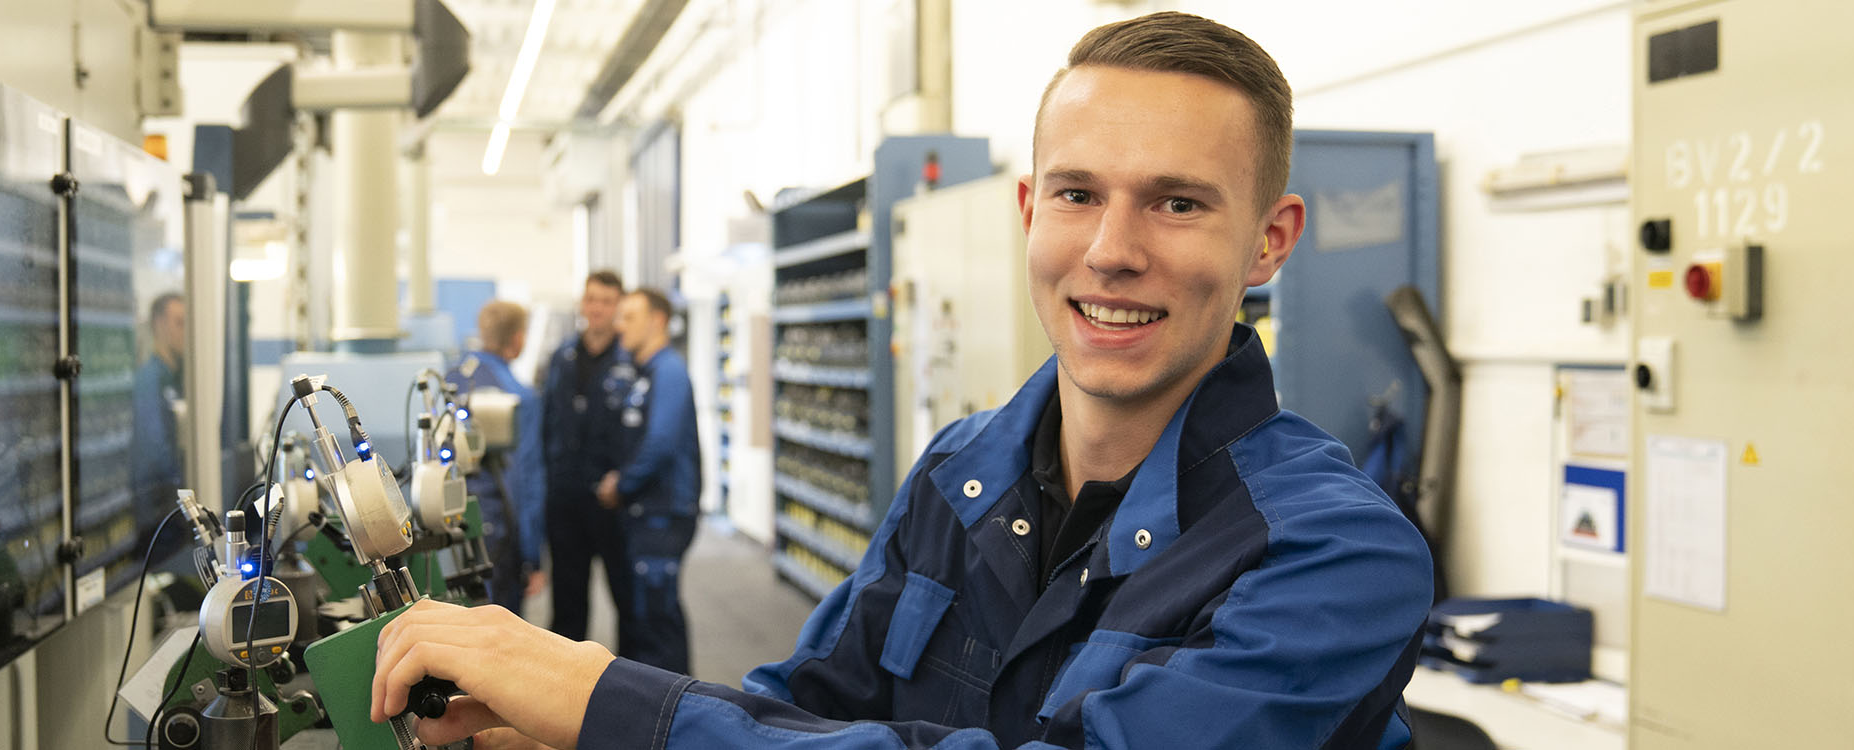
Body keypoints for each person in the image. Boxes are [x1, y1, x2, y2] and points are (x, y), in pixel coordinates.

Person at [368, 12, 1434, 750]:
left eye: (1177, 203)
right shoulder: (960, 471)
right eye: (1076, 194)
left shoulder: (1335, 555)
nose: (1110, 250)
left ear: (1269, 241)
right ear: (1029, 211)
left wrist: (611, 702)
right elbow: (806, 706)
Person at [596, 288, 701, 674]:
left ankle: (676, 705)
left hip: (662, 514)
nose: (619, 325)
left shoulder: (669, 371)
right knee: (645, 618)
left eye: (629, 317)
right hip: (645, 513)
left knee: (658, 623)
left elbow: (660, 443)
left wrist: (621, 484)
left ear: (657, 321)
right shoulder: (646, 373)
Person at [539, 271, 639, 643]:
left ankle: (632, 675)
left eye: (606, 301)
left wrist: (626, 479)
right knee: (567, 602)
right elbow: (546, 422)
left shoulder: (631, 360)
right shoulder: (561, 357)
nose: (597, 308)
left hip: (613, 499)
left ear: (618, 307)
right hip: (565, 498)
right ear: (583, 303)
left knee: (628, 600)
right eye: (591, 299)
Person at [445, 300, 550, 614]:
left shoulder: (448, 381)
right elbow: (526, 478)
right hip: (499, 526)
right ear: (518, 338)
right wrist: (532, 556)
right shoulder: (518, 397)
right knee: (502, 619)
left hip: (449, 519)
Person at [130, 292, 187, 514]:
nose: (185, 332)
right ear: (159, 324)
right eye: (179, 323)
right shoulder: (149, 380)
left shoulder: (178, 378)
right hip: (158, 506)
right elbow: (156, 449)